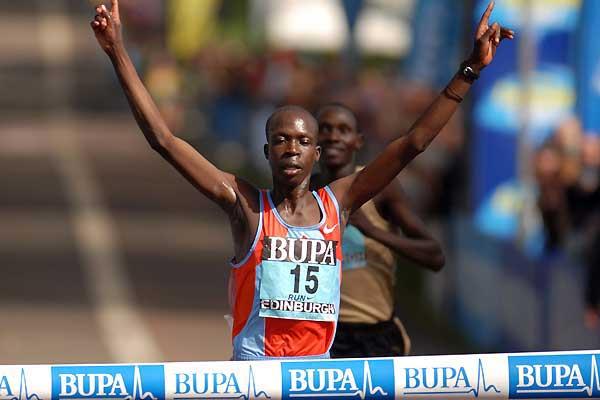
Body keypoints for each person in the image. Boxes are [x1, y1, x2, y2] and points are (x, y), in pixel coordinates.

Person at [90, 0, 512, 360]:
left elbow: (412, 144)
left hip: (318, 378)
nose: (291, 148)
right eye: (281, 140)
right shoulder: (245, 205)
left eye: (302, 140)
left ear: (317, 153)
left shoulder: (338, 203)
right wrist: (118, 54)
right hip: (258, 377)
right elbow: (164, 140)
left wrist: (470, 69)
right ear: (266, 152)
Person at [313, 103, 445, 357]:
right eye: (325, 129)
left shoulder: (381, 190)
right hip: (321, 333)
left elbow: (435, 256)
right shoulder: (305, 193)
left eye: (343, 130)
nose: (333, 136)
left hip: (375, 335)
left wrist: (372, 231)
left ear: (358, 141)